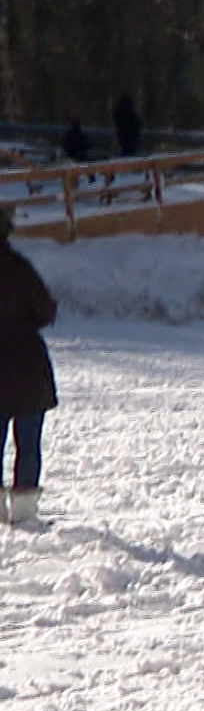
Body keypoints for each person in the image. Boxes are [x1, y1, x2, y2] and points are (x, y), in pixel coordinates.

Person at [1, 209, 57, 525]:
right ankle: (24, 514)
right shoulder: (20, 268)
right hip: (27, 368)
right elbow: (45, 310)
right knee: (28, 443)